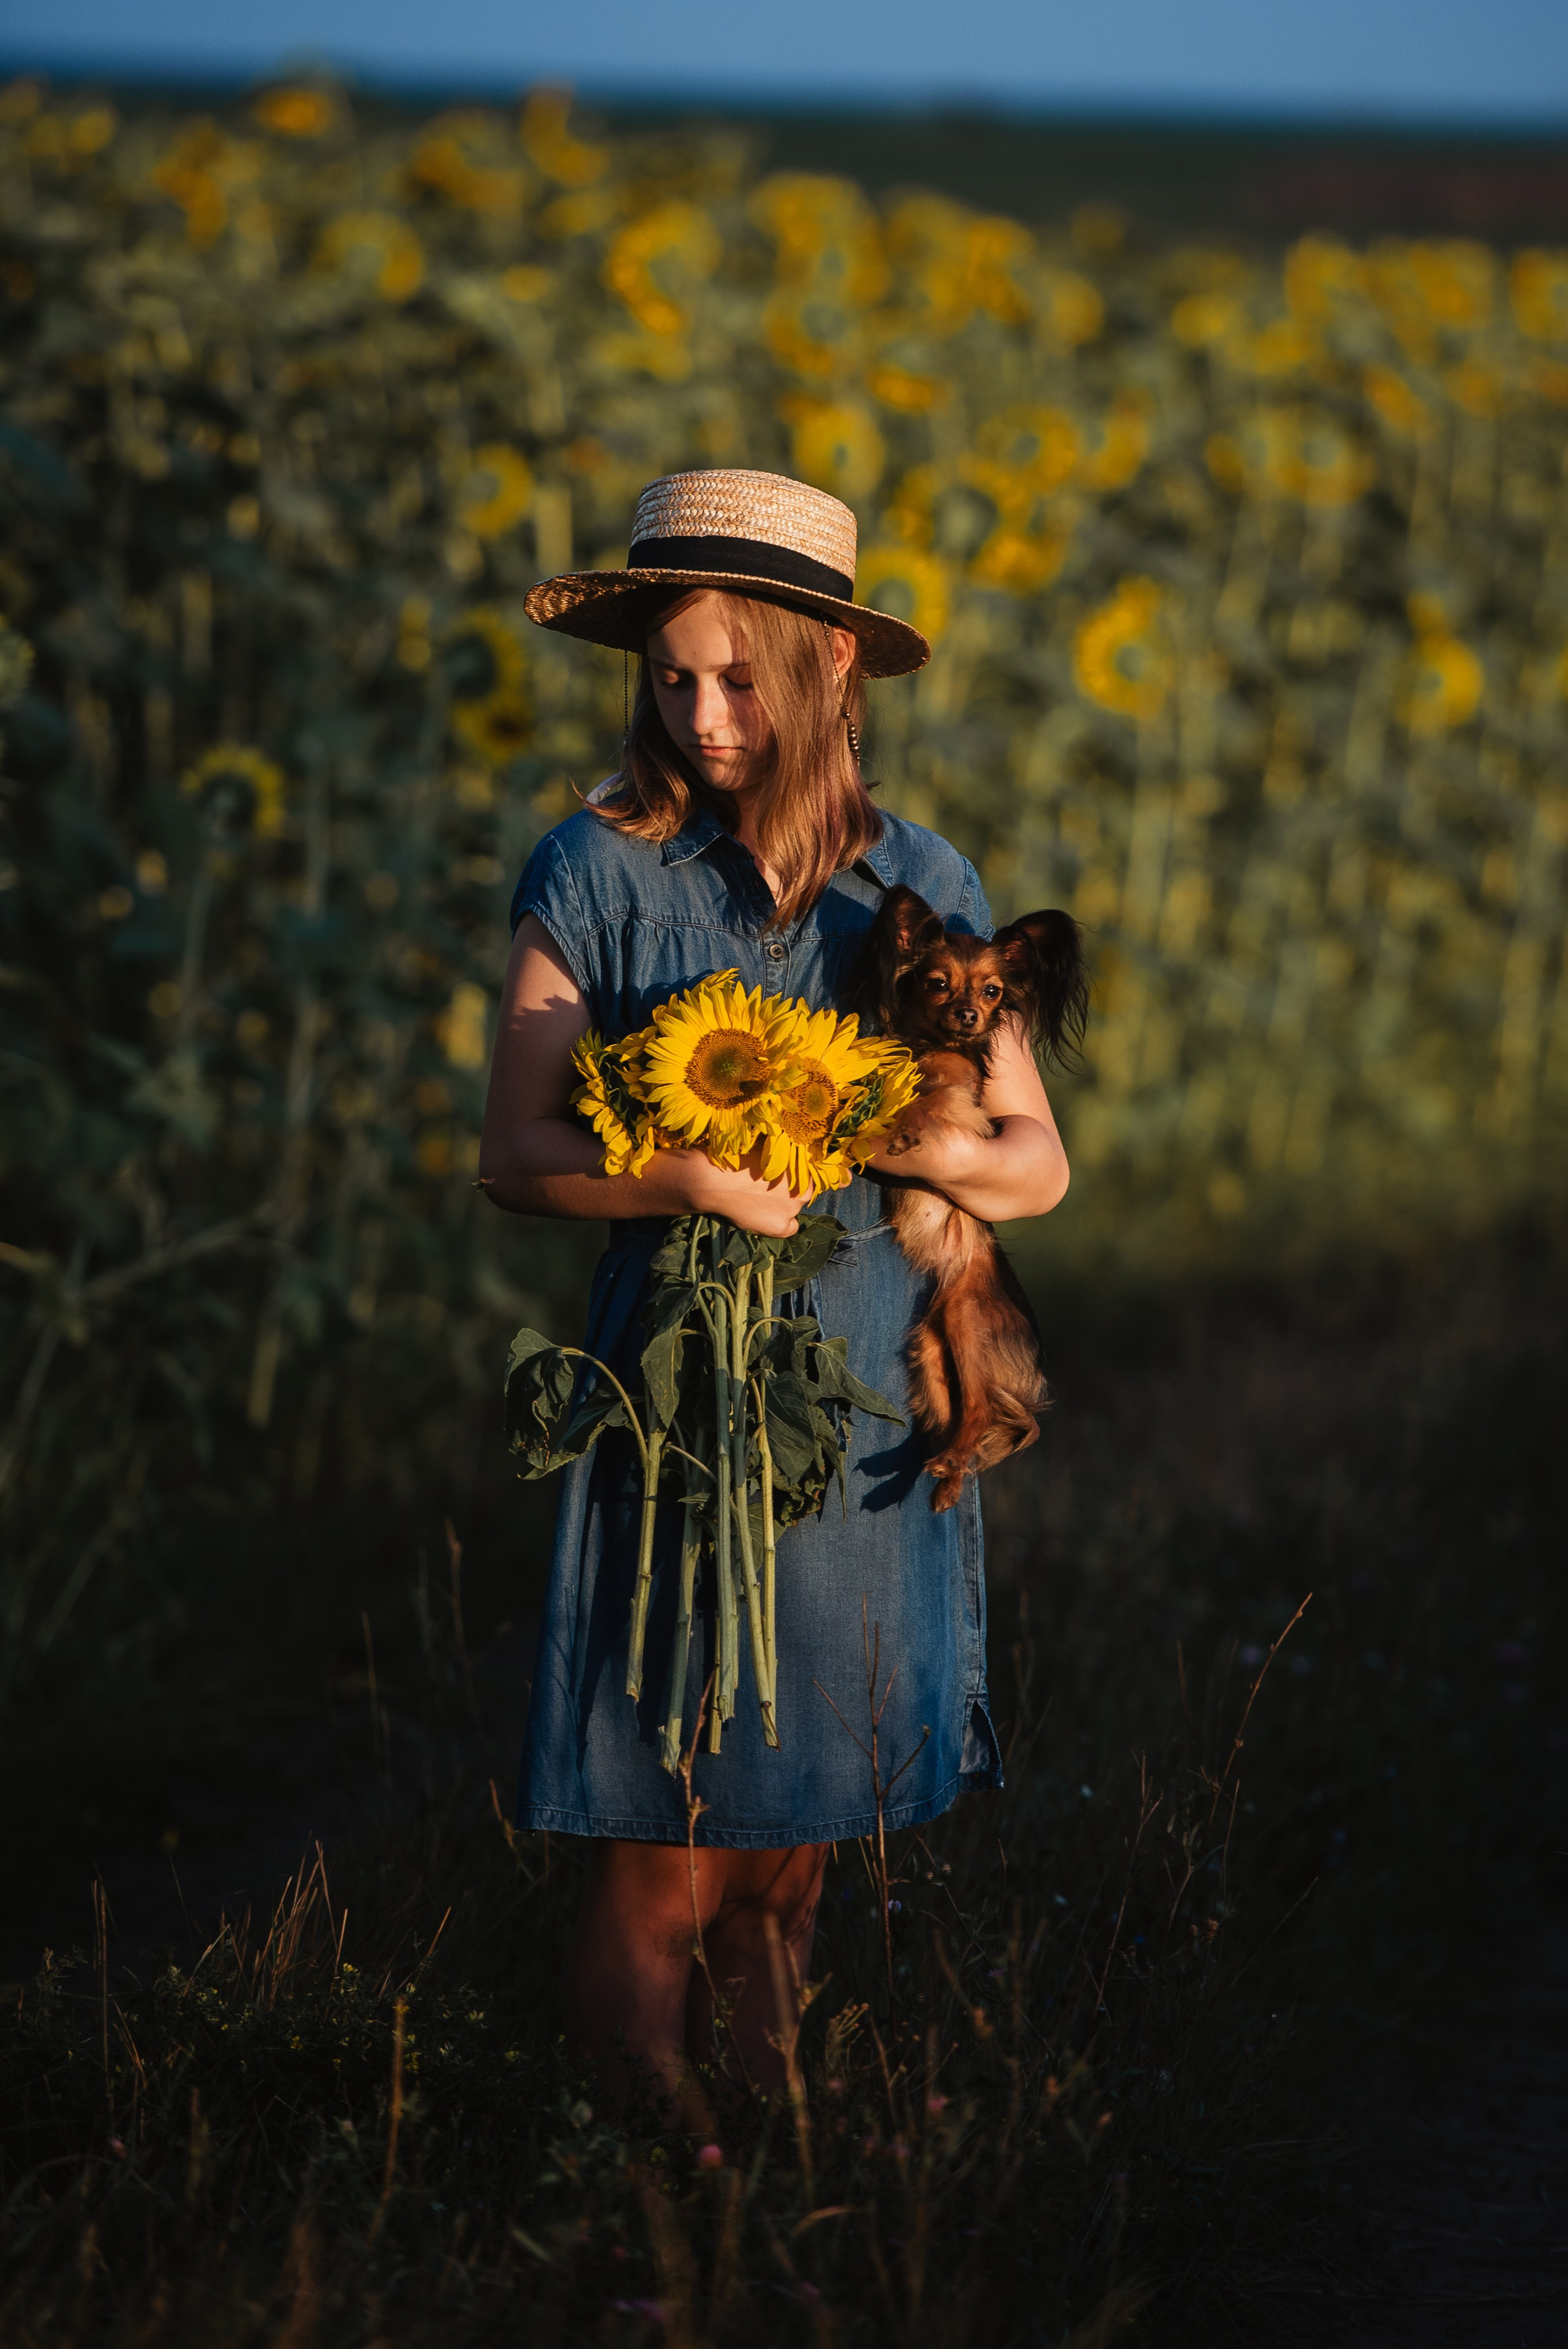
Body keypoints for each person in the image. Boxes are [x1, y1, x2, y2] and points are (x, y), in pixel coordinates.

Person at [479, 469, 1068, 2117]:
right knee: (654, 1852)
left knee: (791, 1859)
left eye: (741, 676)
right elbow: (517, 1148)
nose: (703, 710)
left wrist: (898, 1144)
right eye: (672, 675)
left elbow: (1039, 1162)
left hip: (862, 1397)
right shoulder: (593, 867)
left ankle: (756, 2192)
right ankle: (639, 2199)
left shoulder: (922, 883)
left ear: (829, 673)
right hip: (672, 1396)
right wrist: (681, 1176)